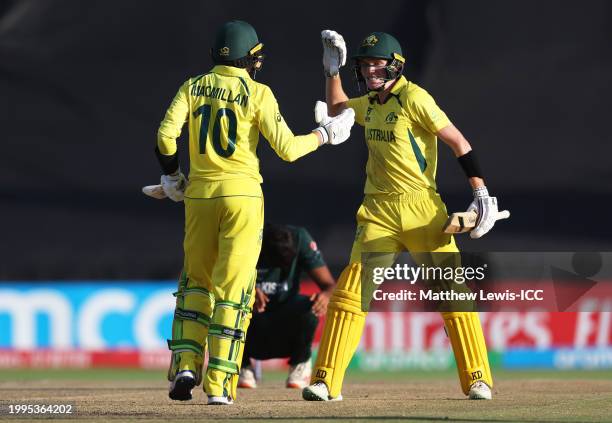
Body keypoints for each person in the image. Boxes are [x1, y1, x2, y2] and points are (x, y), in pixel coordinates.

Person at [302, 30, 510, 402]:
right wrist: (331, 70)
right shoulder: (368, 102)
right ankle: (325, 381)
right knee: (351, 294)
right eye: (364, 65)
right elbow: (337, 111)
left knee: (450, 290)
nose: (369, 70)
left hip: (422, 210)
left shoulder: (415, 97)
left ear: (395, 65)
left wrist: (480, 191)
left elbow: (458, 143)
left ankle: (477, 378)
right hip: (378, 210)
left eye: (376, 64)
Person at [155, 21, 355, 405]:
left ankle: (185, 364)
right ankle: (219, 386)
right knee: (234, 290)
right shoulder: (258, 92)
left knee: (196, 283)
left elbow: (165, 137)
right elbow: (289, 150)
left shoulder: (192, 86)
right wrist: (325, 134)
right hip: (243, 198)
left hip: (199, 197)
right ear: (251, 58)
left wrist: (172, 176)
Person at [237, 223, 335, 390]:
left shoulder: (301, 240)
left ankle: (300, 365)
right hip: (252, 322)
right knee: (229, 305)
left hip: (285, 320)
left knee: (310, 308)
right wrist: (247, 291)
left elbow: (330, 285)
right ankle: (241, 364)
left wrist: (325, 296)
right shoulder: (247, 239)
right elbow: (219, 281)